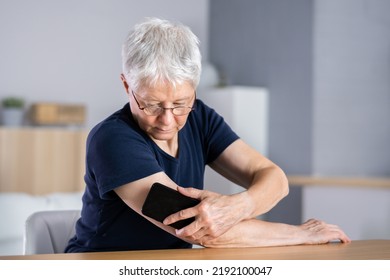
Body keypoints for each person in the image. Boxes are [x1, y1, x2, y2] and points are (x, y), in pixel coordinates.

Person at [65, 18, 350, 253]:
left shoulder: (199, 117)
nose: (167, 119)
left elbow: (275, 179)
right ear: (127, 85)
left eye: (180, 104)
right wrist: (300, 233)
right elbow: (199, 230)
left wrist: (239, 205)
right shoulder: (112, 139)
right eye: (150, 105)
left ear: (195, 89)